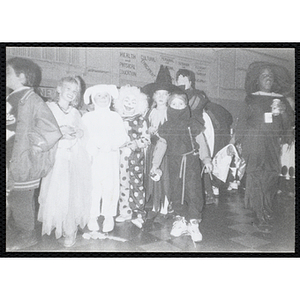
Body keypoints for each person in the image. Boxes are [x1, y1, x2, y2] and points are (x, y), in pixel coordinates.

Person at [6, 57, 62, 250]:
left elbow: (52, 130)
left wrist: (35, 146)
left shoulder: (32, 99)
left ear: (21, 77)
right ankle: (15, 231)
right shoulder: (11, 98)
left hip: (24, 160)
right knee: (11, 198)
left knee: (21, 200)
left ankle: (27, 235)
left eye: (8, 72)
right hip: (10, 159)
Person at [233, 61, 294, 232]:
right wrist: (237, 141)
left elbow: (287, 124)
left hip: (273, 142)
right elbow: (243, 120)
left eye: (270, 76)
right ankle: (260, 213)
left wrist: (282, 112)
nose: (268, 78)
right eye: (264, 75)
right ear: (257, 80)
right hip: (254, 141)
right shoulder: (251, 97)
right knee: (256, 176)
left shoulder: (281, 99)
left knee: (272, 175)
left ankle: (265, 208)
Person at [38, 76, 92, 247]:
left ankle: (70, 231)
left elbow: (83, 132)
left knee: (72, 194)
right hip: (56, 157)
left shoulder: (75, 112)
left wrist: (79, 133)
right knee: (56, 193)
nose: (71, 93)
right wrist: (60, 132)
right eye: (68, 89)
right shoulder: (49, 108)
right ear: (59, 89)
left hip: (74, 157)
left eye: (75, 91)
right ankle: (58, 225)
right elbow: (42, 132)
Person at [153, 91, 212, 242]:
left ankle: (193, 222)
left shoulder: (193, 124)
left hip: (191, 162)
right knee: (176, 190)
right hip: (174, 163)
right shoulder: (166, 126)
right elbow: (161, 145)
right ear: (169, 106)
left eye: (181, 104)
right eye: (174, 104)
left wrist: (206, 159)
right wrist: (155, 164)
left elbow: (201, 143)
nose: (177, 107)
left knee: (194, 191)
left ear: (186, 106)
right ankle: (179, 220)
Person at [175, 69, 233, 202]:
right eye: (179, 79)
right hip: (179, 133)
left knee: (200, 162)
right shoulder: (174, 94)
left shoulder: (198, 95)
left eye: (185, 79)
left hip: (195, 131)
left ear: (191, 81)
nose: (181, 81)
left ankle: (207, 192)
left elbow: (191, 107)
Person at [81, 84, 129, 234]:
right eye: (99, 96)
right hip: (94, 157)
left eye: (105, 96)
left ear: (110, 99)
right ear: (93, 99)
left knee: (110, 186)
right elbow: (83, 135)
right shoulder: (87, 117)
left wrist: (112, 145)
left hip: (110, 156)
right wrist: (91, 147)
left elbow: (122, 136)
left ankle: (109, 215)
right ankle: (92, 215)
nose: (102, 98)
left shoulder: (115, 116)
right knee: (93, 187)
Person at [143, 65, 181, 217]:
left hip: (167, 151)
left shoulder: (171, 113)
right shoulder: (149, 112)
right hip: (153, 149)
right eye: (158, 94)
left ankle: (166, 203)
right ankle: (154, 202)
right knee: (153, 175)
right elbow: (144, 129)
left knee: (167, 177)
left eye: (164, 94)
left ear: (169, 96)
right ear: (153, 96)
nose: (160, 97)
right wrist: (148, 131)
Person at [114, 85, 150, 228]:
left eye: (133, 101)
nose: (129, 104)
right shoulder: (116, 119)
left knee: (136, 185)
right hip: (119, 157)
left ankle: (139, 214)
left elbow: (146, 139)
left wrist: (135, 145)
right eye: (126, 100)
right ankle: (125, 212)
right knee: (123, 184)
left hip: (135, 158)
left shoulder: (141, 120)